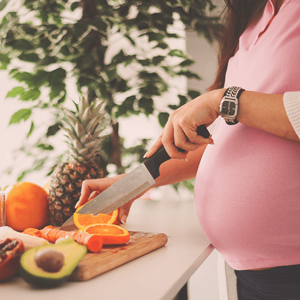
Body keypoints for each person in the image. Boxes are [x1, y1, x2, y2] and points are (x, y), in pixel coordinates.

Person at [76, 0, 300, 298]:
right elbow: (225, 136)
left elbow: (234, 107)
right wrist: (132, 182)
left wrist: (222, 101)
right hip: (253, 274)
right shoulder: (256, 15)